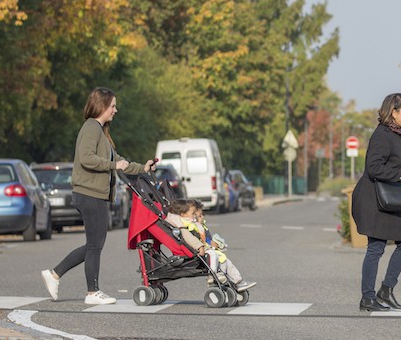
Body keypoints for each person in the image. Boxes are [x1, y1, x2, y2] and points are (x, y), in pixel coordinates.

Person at [41, 87, 157, 305]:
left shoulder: (101, 132)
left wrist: (143, 168)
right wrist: (113, 165)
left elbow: (120, 161)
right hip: (89, 194)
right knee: (95, 245)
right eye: (112, 106)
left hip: (94, 194)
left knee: (94, 244)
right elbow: (86, 158)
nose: (115, 110)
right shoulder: (91, 128)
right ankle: (92, 292)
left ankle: (55, 274)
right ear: (102, 106)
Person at [351, 93, 401, 312]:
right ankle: (368, 298)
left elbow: (395, 167)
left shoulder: (397, 135)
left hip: (390, 200)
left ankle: (386, 290)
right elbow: (374, 168)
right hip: (375, 200)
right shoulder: (383, 135)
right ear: (393, 112)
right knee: (376, 248)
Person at [165, 199, 255, 291]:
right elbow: (190, 239)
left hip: (203, 249)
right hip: (196, 252)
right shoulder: (183, 227)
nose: (195, 217)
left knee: (226, 261)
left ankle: (238, 282)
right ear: (182, 215)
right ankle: (212, 275)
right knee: (213, 254)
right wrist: (199, 246)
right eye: (193, 214)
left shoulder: (192, 224)